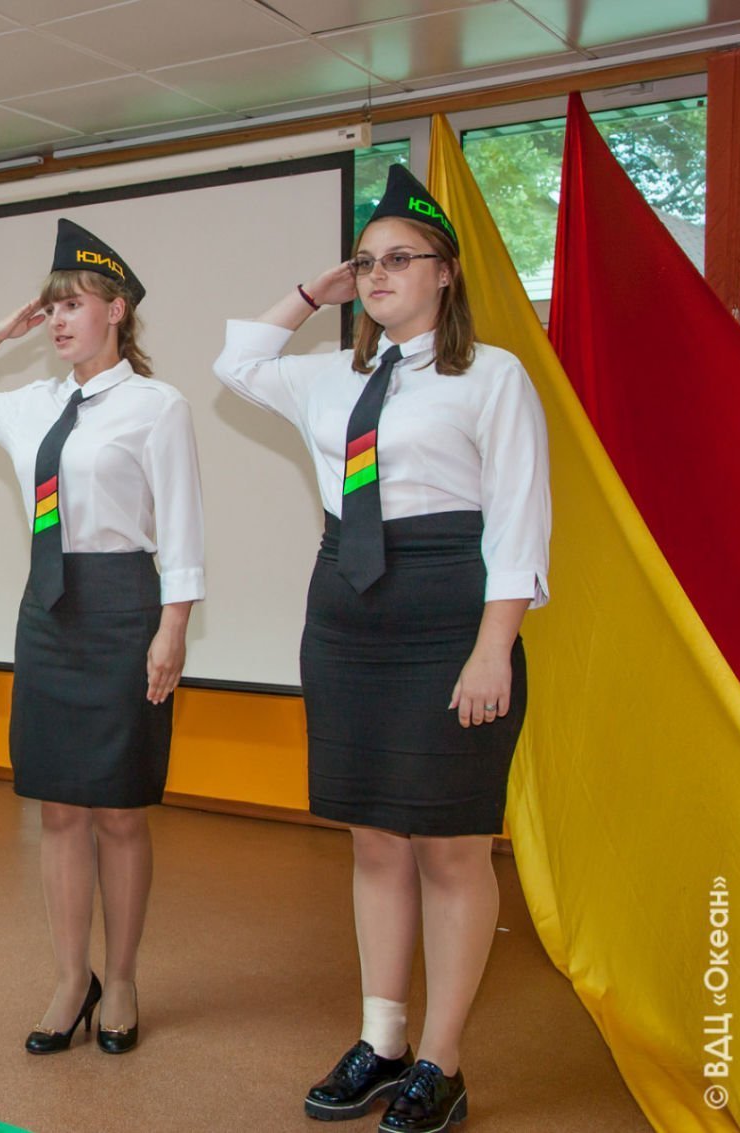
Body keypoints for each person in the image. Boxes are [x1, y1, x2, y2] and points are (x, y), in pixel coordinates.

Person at [213, 165, 550, 1131]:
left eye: (401, 258)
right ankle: (384, 1039)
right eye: (368, 262)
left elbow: (519, 524)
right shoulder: (332, 375)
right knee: (372, 837)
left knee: (449, 845)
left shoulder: (492, 375)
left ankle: (442, 1061)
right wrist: (314, 291)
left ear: (446, 272)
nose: (379, 275)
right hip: (346, 618)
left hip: (449, 614)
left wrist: (493, 649)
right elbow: (237, 363)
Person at [0, 219, 205, 1055]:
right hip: (48, 611)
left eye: (73, 304)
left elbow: (182, 527)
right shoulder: (35, 405)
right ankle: (68, 977)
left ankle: (119, 978)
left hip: (123, 605)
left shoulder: (157, 406)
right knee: (58, 809)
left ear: (116, 311)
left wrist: (173, 628)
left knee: (118, 811)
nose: (57, 320)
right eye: (50, 307)